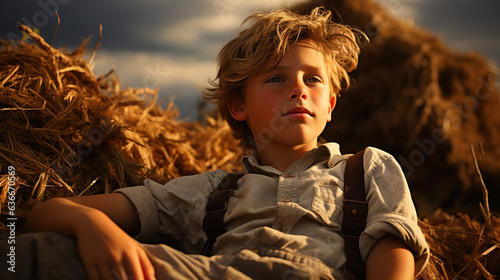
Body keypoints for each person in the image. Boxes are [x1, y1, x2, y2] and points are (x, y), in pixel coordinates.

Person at [2, 6, 429, 280]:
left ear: (331, 104)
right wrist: (90, 228)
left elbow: (392, 255)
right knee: (31, 254)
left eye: (312, 79)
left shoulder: (369, 167)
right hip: (212, 274)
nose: (298, 90)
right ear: (238, 106)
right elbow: (46, 214)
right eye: (277, 78)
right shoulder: (209, 192)